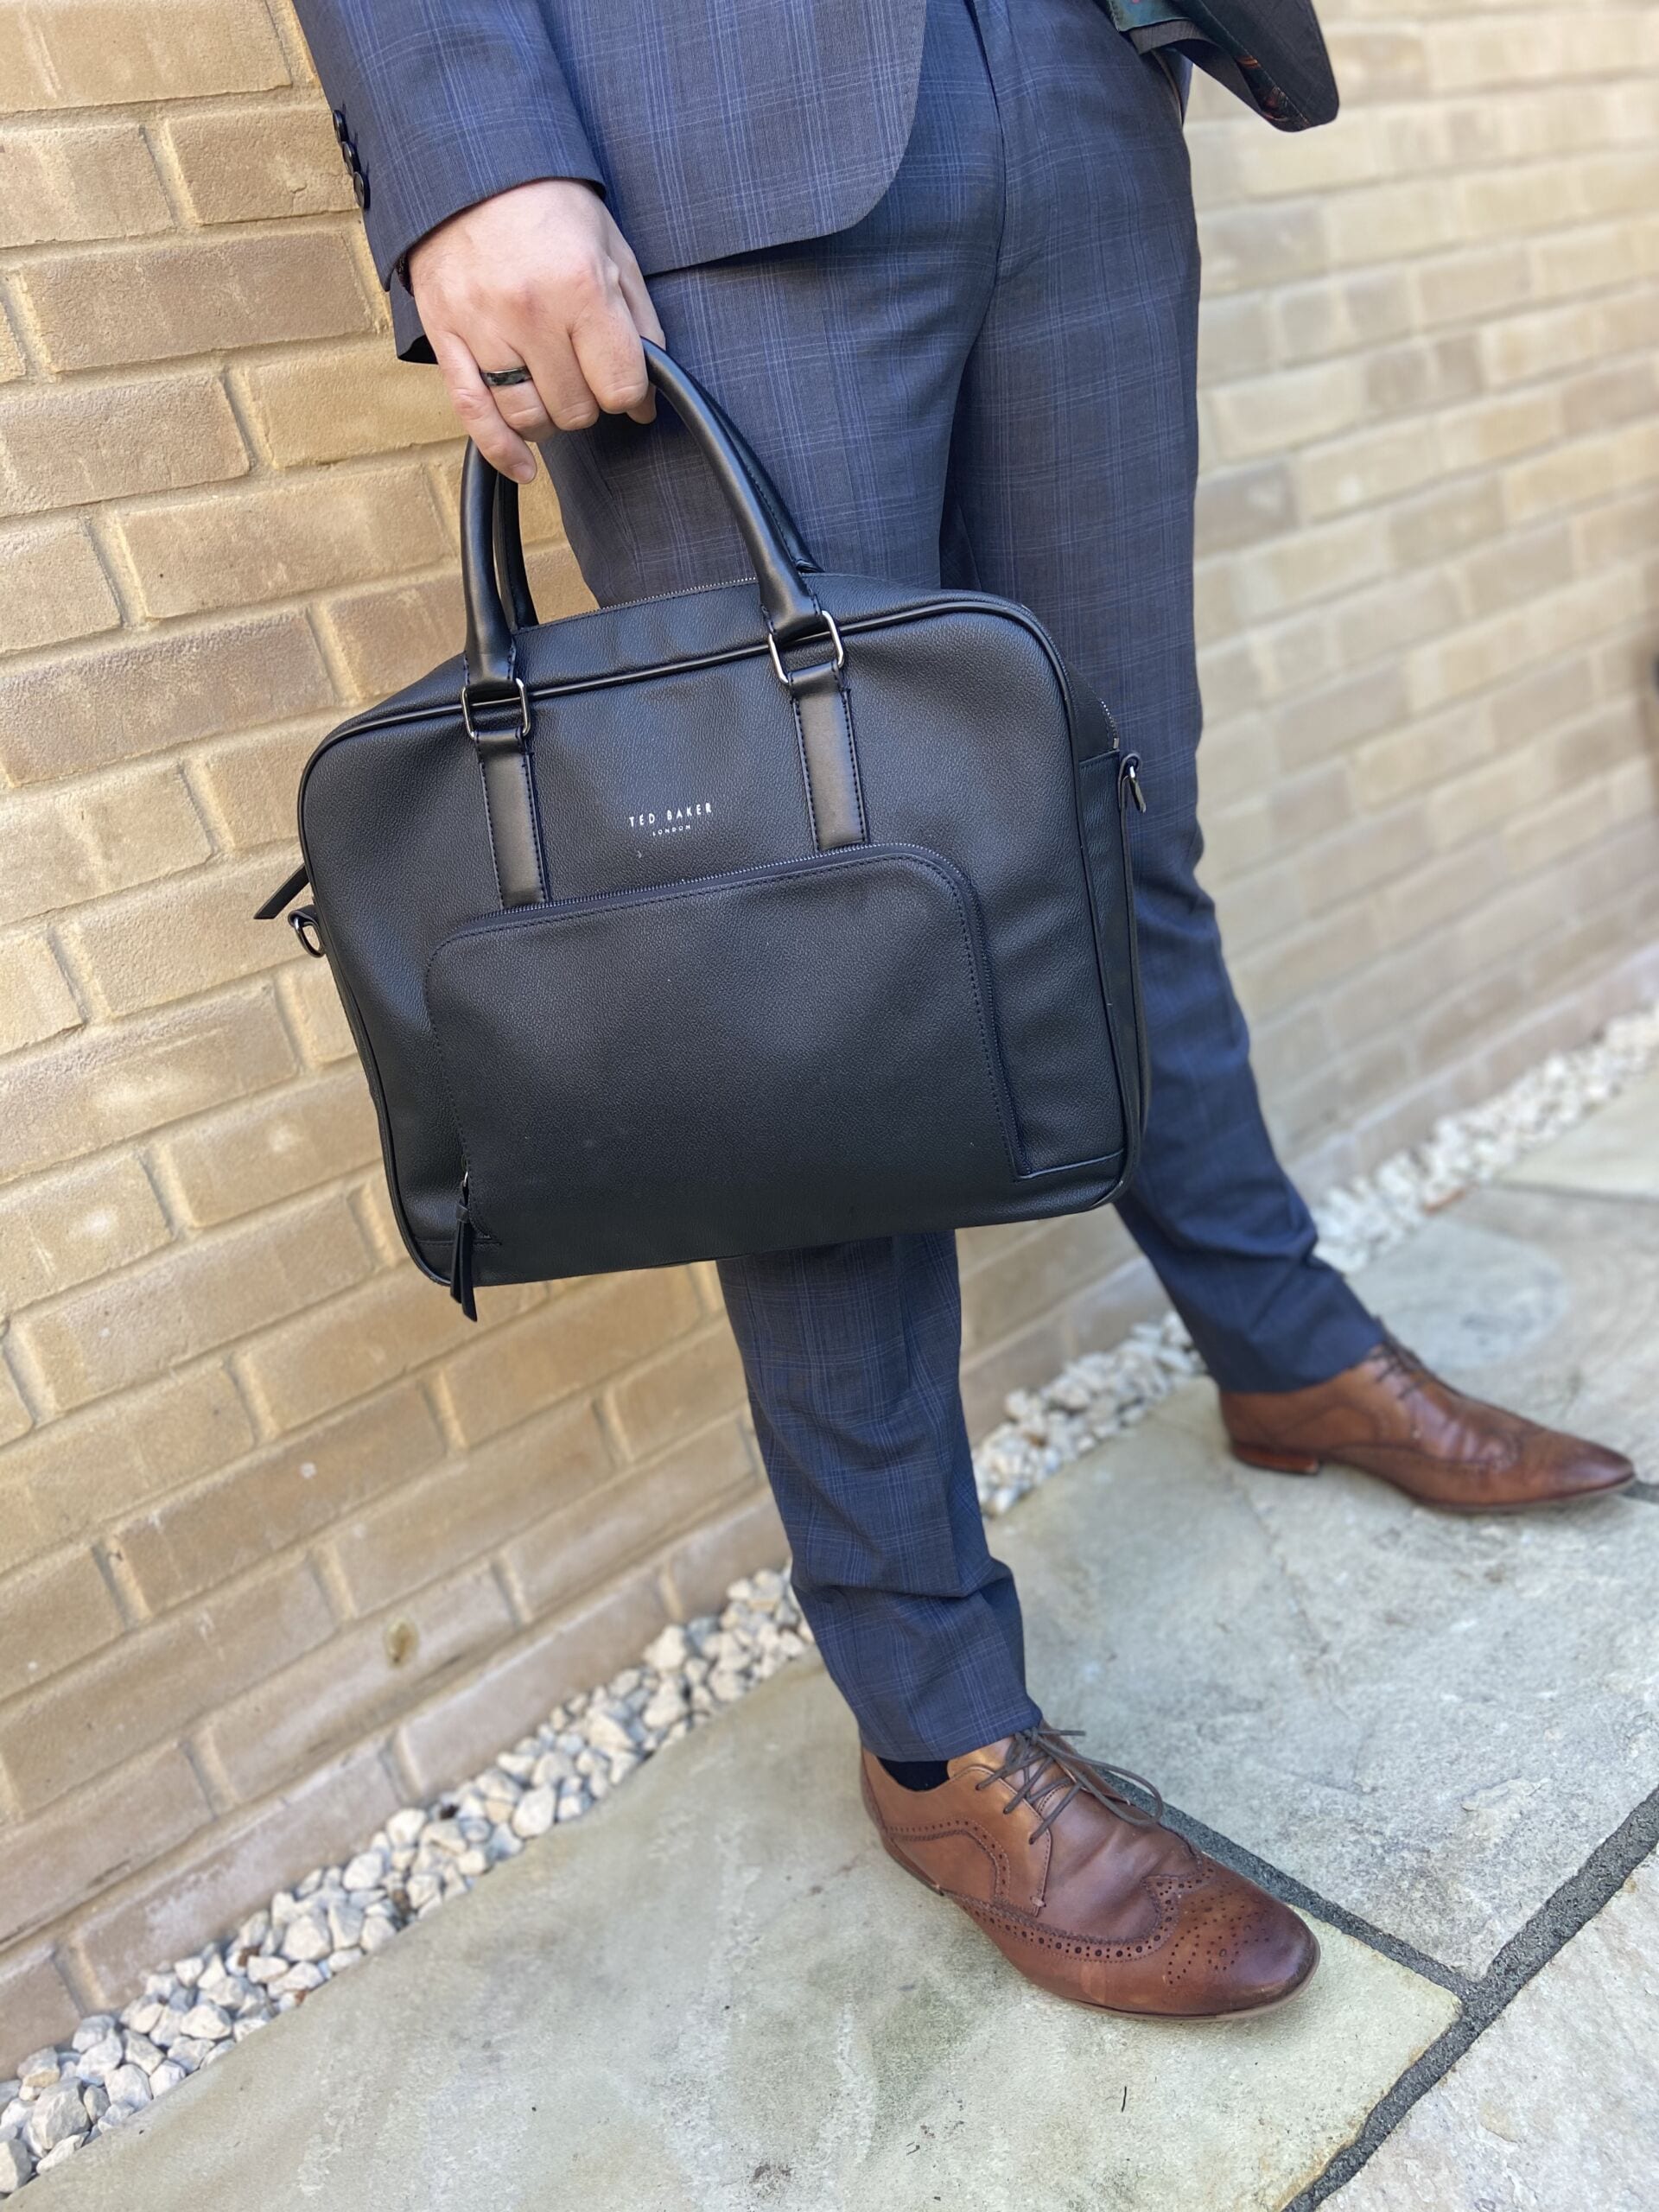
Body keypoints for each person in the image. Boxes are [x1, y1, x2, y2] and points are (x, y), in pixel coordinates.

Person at [290, 0, 1634, 2019]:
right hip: (712, 138)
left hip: (1082, 93)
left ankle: (1283, 1348)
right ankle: (935, 1727)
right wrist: (466, 147)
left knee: (1119, 824)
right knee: (807, 980)